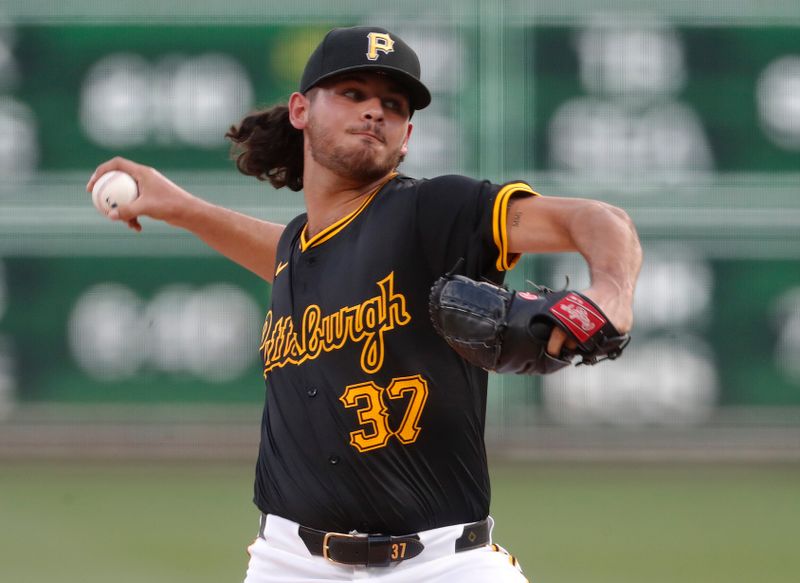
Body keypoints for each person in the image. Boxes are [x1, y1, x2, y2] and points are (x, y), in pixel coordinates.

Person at [87, 25, 642, 583]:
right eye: (353, 93)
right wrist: (180, 206)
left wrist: (611, 294)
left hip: (442, 564)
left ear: (407, 137)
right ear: (301, 110)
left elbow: (598, 220)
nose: (374, 111)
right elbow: (284, 252)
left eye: (393, 105)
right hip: (288, 563)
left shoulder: (434, 212)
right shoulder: (300, 251)